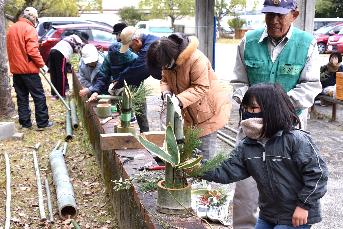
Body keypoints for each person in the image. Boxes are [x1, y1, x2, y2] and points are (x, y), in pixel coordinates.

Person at [230, 1, 322, 228]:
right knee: (246, 188)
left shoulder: (307, 44)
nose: (274, 21)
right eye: (269, 14)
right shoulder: (248, 42)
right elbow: (238, 82)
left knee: (287, 185)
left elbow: (310, 86)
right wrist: (252, 102)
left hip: (289, 131)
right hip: (252, 128)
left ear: (295, 14)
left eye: (281, 15)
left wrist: (276, 106)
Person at [201, 83, 328, 229]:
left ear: (271, 109)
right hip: (268, 214)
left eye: (254, 108)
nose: (249, 113)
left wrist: (304, 205)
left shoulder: (295, 140)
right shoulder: (247, 146)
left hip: (296, 215)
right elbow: (226, 171)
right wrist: (196, 167)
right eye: (246, 108)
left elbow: (318, 174)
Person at [147, 33, 231, 160]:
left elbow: (201, 87)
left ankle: (204, 179)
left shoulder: (196, 59)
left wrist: (179, 99)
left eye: (164, 65)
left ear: (172, 57)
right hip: (190, 111)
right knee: (191, 152)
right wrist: (166, 92)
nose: (163, 68)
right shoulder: (166, 61)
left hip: (208, 112)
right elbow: (164, 80)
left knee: (203, 157)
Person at [89, 26, 161, 132]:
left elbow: (138, 70)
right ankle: (126, 130)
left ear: (136, 41)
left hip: (135, 87)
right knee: (123, 112)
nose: (131, 49)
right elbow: (103, 75)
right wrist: (95, 90)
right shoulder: (110, 58)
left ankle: (145, 133)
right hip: (121, 86)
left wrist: (119, 82)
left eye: (131, 47)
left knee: (140, 112)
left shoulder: (137, 55)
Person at [6, 7, 53, 130]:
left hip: (16, 70)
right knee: (39, 96)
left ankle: (25, 123)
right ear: (33, 17)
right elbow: (32, 51)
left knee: (22, 97)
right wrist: (42, 64)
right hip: (29, 70)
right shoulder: (29, 29)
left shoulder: (12, 28)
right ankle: (42, 123)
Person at [48, 34, 84, 99]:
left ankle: (54, 94)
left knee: (54, 74)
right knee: (61, 75)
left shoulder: (68, 38)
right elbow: (77, 53)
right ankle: (62, 94)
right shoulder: (79, 42)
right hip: (61, 53)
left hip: (52, 51)